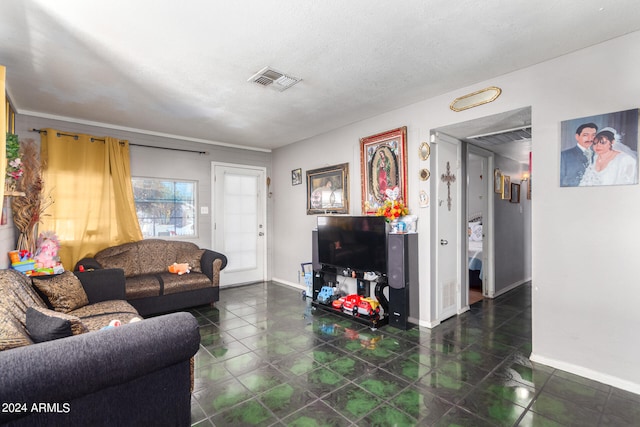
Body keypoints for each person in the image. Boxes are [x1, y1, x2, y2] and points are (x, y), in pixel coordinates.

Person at [560, 123, 597, 187]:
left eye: (593, 135)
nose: (590, 139)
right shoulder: (564, 155)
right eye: (585, 135)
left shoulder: (598, 155)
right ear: (577, 137)